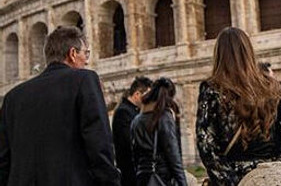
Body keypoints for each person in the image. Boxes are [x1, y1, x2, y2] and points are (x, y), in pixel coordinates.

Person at [0, 25, 120, 185]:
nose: (87, 60)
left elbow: (3, 160)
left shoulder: (12, 97)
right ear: (73, 53)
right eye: (86, 53)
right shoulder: (84, 80)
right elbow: (99, 144)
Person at [196, 27, 281, 185]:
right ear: (249, 52)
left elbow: (206, 143)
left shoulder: (212, 89)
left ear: (219, 55)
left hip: (234, 176)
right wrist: (271, 169)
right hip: (270, 180)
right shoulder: (270, 86)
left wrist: (230, 181)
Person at [131, 77, 187, 186]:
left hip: (143, 177)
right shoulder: (164, 117)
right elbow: (173, 155)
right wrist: (182, 182)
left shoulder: (137, 120)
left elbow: (135, 154)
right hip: (161, 177)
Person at [113, 75, 153, 186]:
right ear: (137, 95)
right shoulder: (123, 112)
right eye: (147, 96)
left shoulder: (133, 111)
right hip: (131, 173)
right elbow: (130, 141)